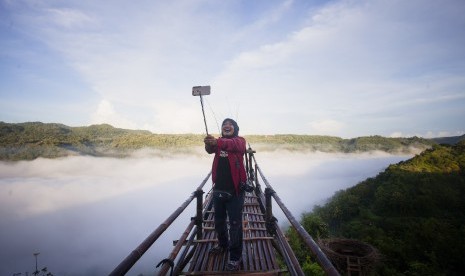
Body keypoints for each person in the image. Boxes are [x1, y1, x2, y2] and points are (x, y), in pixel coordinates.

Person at [204, 118, 247, 271]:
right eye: (224, 125)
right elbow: (210, 150)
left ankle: (235, 257)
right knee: (219, 222)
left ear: (235, 129)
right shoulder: (219, 142)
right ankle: (223, 245)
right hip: (218, 190)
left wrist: (217, 142)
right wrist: (208, 143)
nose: (227, 126)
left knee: (235, 225)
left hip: (235, 191)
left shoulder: (240, 141)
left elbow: (235, 145)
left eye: (230, 125)